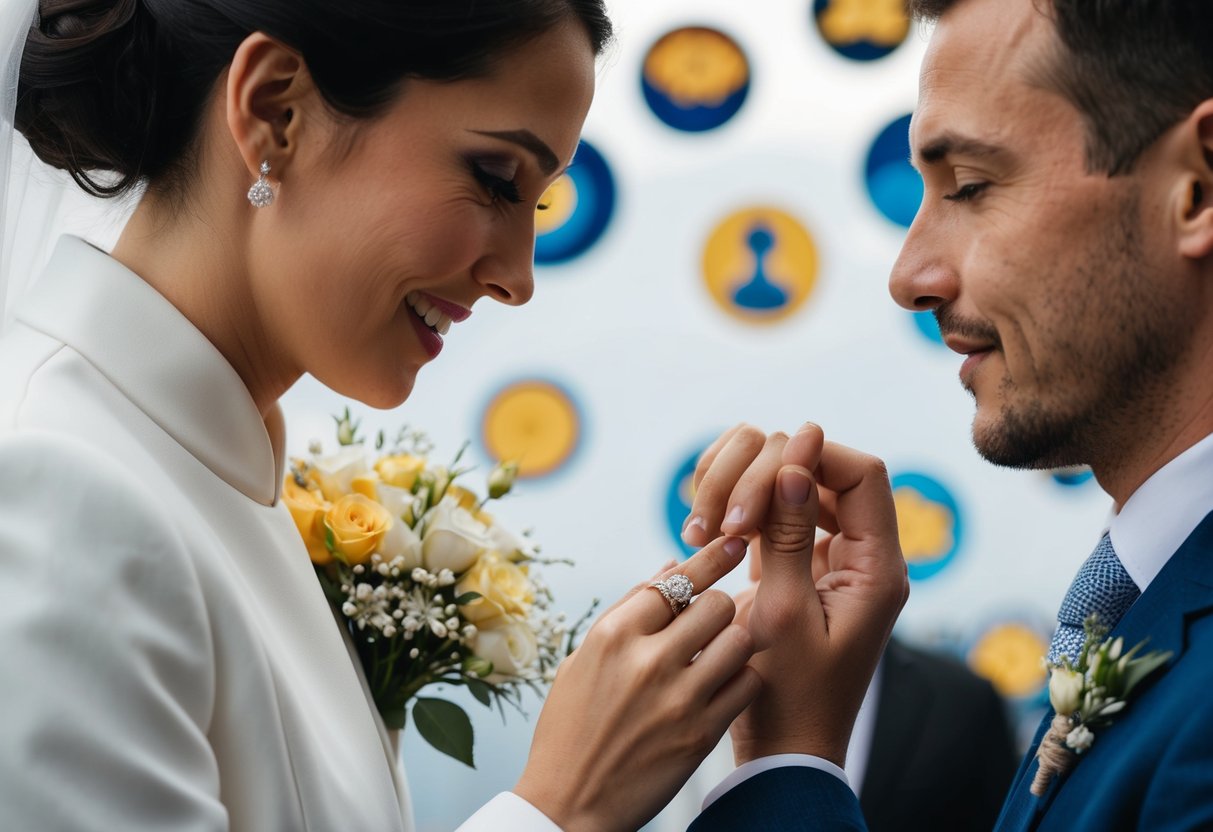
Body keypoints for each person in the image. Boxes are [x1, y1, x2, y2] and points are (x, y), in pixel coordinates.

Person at [0, 2, 900, 830]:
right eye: (495, 179)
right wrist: (561, 807)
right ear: (276, 112)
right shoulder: (58, 495)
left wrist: (785, 745)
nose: (518, 278)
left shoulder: (222, 484)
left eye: (540, 202)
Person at [683, 0, 1213, 829]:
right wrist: (808, 738)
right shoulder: (1144, 599)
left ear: (1198, 187)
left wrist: (784, 764)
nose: (909, 276)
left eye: (969, 186)